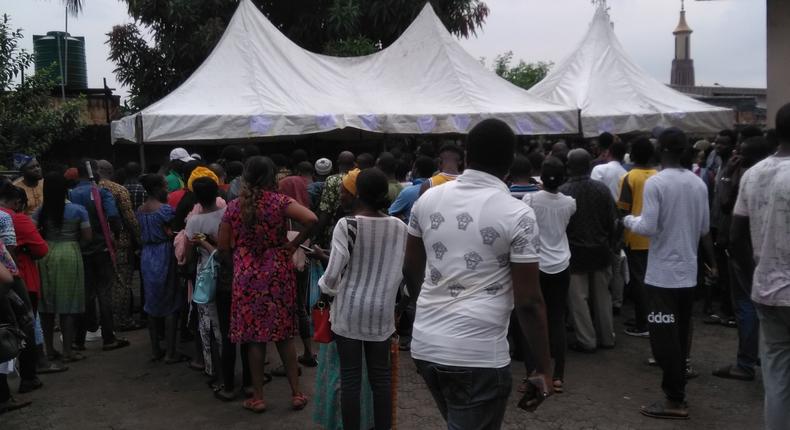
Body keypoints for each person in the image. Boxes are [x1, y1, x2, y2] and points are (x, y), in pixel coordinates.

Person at [404, 119, 552, 430]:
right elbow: (528, 301)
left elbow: (411, 267)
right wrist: (542, 367)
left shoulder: (426, 199)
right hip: (477, 355)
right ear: (510, 163)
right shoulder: (518, 213)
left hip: (426, 347)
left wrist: (427, 311)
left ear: (466, 156)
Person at [623, 128, 716, 420]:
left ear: (659, 149)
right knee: (680, 331)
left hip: (662, 275)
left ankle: (675, 399)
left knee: (663, 338)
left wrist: (627, 219)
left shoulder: (657, 183)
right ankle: (678, 384)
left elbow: (648, 227)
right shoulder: (698, 183)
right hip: (688, 272)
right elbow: (703, 229)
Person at [218, 156, 317, 413]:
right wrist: (293, 245)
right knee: (284, 335)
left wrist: (238, 266)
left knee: (254, 338)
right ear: (271, 176)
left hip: (247, 274)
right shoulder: (280, 202)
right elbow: (312, 219)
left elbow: (222, 246)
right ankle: (296, 394)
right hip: (277, 272)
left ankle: (258, 398)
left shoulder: (233, 207)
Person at [318, 168, 407, 430]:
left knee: (351, 380)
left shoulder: (347, 225)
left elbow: (333, 275)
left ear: (357, 193)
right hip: (381, 314)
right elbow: (406, 270)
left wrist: (324, 290)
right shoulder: (400, 227)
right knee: (381, 380)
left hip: (349, 313)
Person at [731, 103, 790, 430]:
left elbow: (735, 235)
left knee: (777, 377)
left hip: (766, 291)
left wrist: (754, 273)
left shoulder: (753, 174)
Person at [712, 136, 775, 381]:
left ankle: (745, 363)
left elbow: (726, 204)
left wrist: (726, 175)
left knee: (745, 305)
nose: (737, 155)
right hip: (765, 249)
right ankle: (758, 355)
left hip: (744, 251)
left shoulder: (746, 175)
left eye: (743, 152)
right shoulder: (776, 174)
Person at [522, 157, 576, 393]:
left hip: (536, 264)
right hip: (561, 264)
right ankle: (559, 375)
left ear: (540, 177)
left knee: (532, 317)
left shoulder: (530, 199)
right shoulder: (570, 203)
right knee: (556, 319)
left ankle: (532, 373)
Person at [559, 149, 618, 352]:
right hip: (601, 250)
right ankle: (607, 337)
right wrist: (611, 244)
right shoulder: (602, 189)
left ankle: (586, 340)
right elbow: (613, 221)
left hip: (575, 252)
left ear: (569, 166)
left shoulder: (564, 191)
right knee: (603, 297)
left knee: (578, 300)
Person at [69, 159, 129, 351]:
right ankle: (108, 337)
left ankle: (79, 340)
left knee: (85, 295)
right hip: (102, 249)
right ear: (94, 172)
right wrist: (116, 236)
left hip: (80, 250)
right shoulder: (102, 192)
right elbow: (113, 217)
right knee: (104, 293)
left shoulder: (71, 194)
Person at [35, 173, 92, 364]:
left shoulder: (41, 211)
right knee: (68, 306)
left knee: (47, 307)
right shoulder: (78, 210)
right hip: (69, 253)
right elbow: (88, 237)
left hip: (45, 254)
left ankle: (49, 350)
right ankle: (68, 351)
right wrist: (75, 246)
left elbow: (33, 232)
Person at [137, 174, 183, 363]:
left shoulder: (140, 209)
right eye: (165, 186)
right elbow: (174, 231)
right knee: (170, 303)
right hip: (164, 253)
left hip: (147, 255)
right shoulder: (165, 210)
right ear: (158, 188)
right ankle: (171, 352)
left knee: (152, 303)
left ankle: (156, 349)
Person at [185, 177, 226, 385]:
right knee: (226, 320)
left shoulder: (193, 222)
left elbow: (188, 254)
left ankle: (213, 369)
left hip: (206, 272)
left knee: (208, 321)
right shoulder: (227, 213)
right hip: (229, 271)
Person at [618, 136, 658, 338]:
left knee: (639, 282)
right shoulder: (658, 175)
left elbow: (623, 210)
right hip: (656, 238)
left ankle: (643, 323)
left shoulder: (629, 177)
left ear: (632, 155)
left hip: (635, 236)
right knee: (652, 282)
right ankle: (650, 319)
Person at [97, 160, 142, 331]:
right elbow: (130, 219)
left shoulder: (88, 190)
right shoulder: (118, 189)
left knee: (102, 285)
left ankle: (105, 322)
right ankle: (121, 320)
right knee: (122, 282)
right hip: (121, 242)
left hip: (96, 243)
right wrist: (140, 240)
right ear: (111, 171)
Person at [705, 129, 738, 326]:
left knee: (728, 270)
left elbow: (727, 202)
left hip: (729, 226)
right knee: (720, 269)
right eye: (717, 142)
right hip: (716, 223)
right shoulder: (720, 164)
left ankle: (730, 312)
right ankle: (724, 309)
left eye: (723, 143)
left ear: (732, 145)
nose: (718, 146)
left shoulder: (734, 167)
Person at [315, 151, 356, 248]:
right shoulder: (359, 177)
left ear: (337, 162)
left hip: (336, 228)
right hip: (357, 225)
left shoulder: (332, 180)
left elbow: (326, 210)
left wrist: (318, 235)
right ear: (354, 163)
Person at [388, 156, 436, 222]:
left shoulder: (408, 192)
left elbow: (390, 212)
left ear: (415, 170)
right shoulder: (438, 190)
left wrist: (405, 219)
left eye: (413, 168)